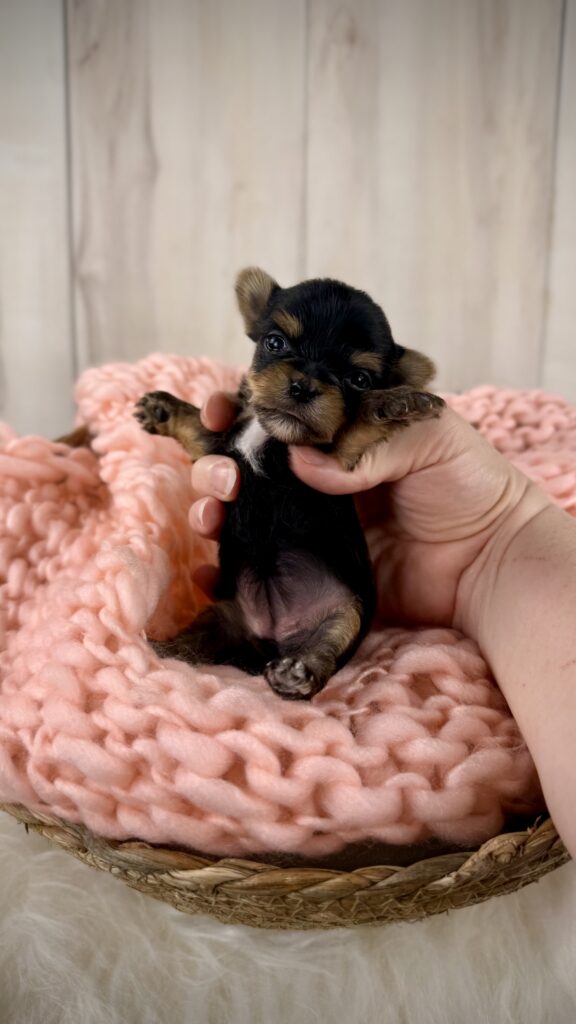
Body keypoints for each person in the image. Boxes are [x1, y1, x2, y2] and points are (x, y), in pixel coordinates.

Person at [188, 392, 576, 861]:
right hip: (273, 584)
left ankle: (306, 662)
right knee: (216, 614)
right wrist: (500, 537)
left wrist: (497, 536)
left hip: (330, 597)